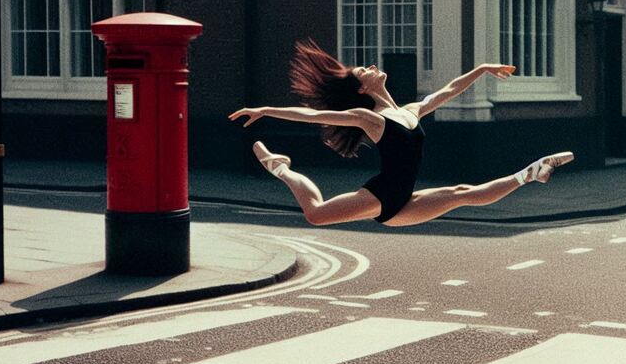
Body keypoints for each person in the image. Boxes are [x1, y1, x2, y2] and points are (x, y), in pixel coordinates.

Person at [229, 40, 574, 227]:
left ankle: (530, 174)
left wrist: (482, 69)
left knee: (462, 192)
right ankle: (282, 168)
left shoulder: (410, 111)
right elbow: (314, 114)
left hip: (404, 202)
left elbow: (449, 90)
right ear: (363, 88)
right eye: (365, 69)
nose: (373, 67)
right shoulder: (370, 118)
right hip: (381, 195)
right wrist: (265, 110)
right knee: (316, 214)